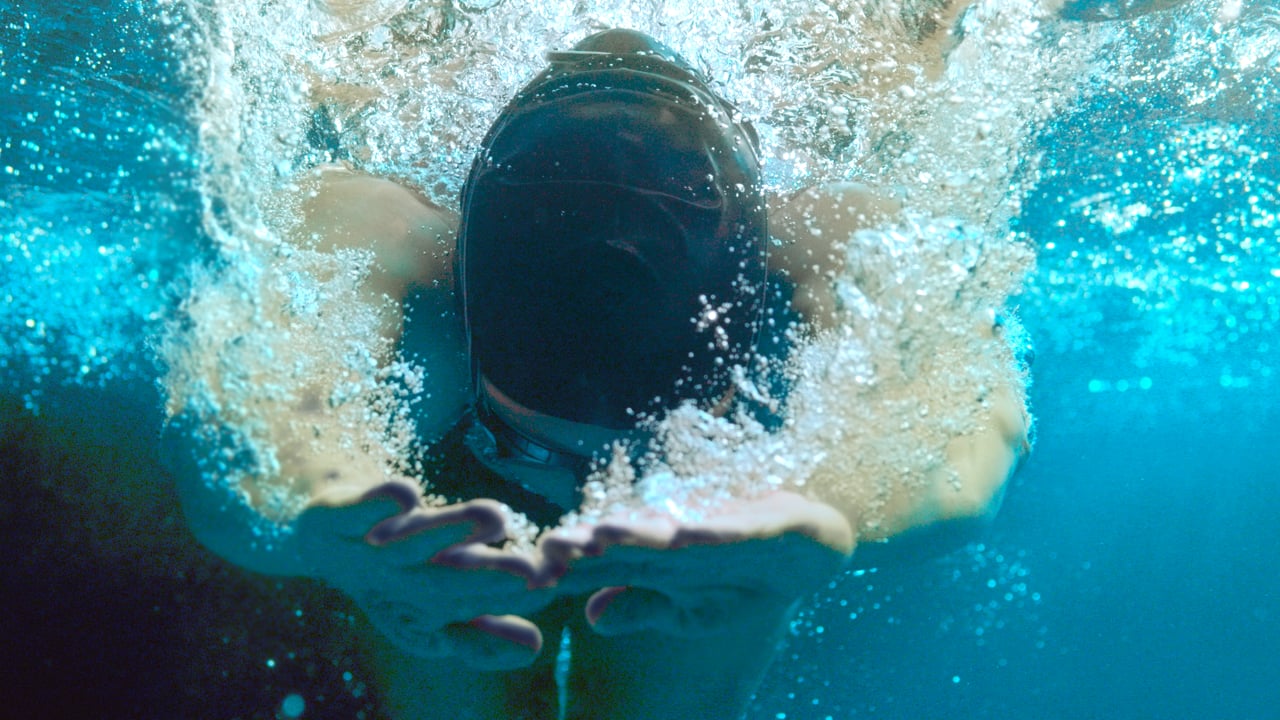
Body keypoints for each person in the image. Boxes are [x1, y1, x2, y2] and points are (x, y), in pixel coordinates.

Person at [167, 28, 1030, 720]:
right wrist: (328, 508)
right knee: (465, 604)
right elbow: (260, 404)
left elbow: (953, 412)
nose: (592, 489)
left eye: (659, 445)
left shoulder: (836, 238)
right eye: (528, 444)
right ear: (456, 270)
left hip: (669, 501)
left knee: (685, 592)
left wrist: (832, 507)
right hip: (502, 491)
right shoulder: (371, 225)